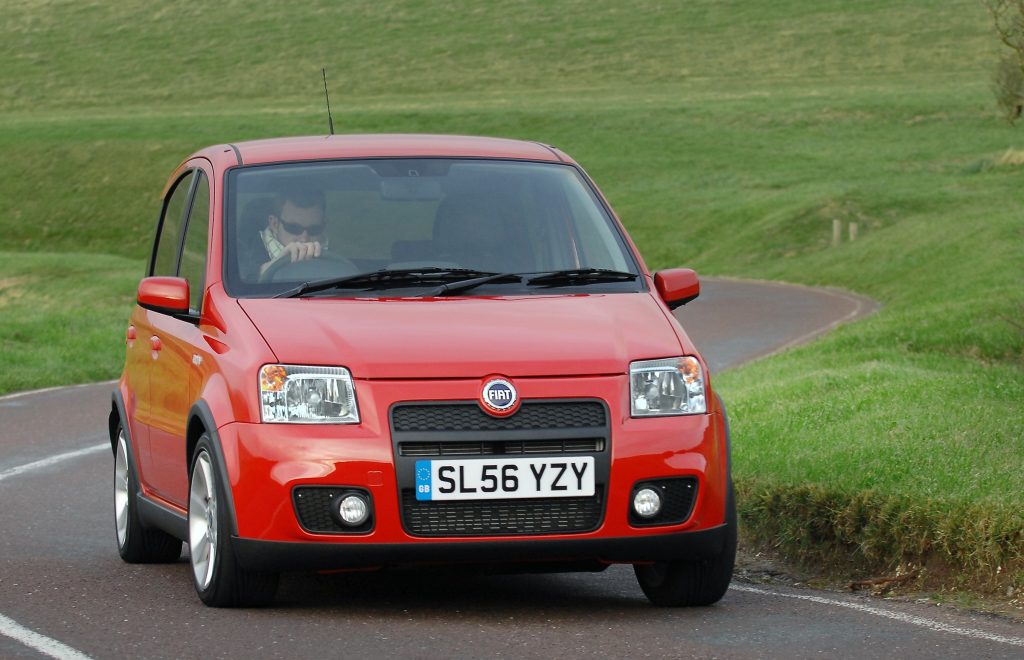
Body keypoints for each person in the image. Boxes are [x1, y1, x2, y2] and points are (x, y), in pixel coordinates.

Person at [242, 188, 328, 281]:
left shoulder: (338, 251)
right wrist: (276, 263)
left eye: (314, 229)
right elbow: (242, 286)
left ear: (323, 226)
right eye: (294, 228)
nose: (304, 238)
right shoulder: (244, 253)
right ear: (274, 224)